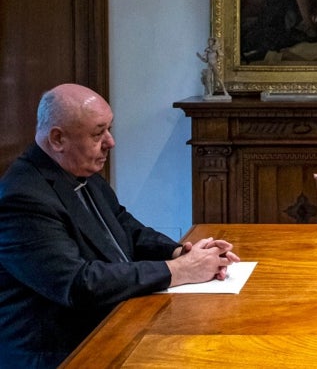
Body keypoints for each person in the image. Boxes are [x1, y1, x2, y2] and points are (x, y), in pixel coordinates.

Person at [0, 83, 241, 368]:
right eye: (97, 133)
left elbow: (127, 229)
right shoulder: (23, 198)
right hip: (63, 353)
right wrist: (178, 271)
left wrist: (181, 252)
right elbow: (78, 285)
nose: (110, 142)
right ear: (57, 139)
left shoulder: (81, 172)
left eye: (109, 129)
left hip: (112, 323)